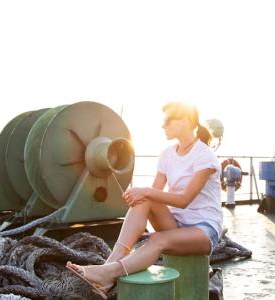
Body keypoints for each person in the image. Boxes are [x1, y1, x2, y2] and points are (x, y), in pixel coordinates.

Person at [66, 102, 222, 298]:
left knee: (157, 239)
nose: (162, 126)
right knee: (143, 201)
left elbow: (184, 200)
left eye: (167, 121)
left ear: (184, 121)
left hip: (203, 230)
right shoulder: (167, 154)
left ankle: (108, 273)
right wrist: (136, 196)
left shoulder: (204, 156)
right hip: (175, 224)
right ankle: (109, 265)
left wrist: (145, 191)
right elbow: (154, 194)